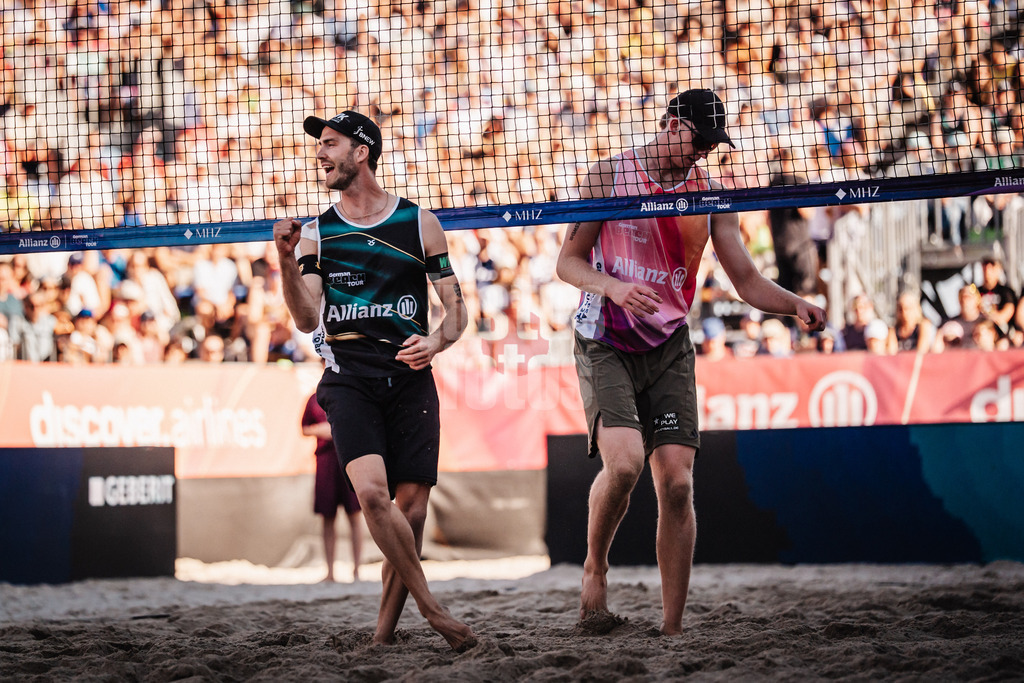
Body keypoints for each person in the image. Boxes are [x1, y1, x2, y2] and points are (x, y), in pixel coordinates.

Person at [556, 89, 826, 636]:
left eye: (711, 144)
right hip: (605, 337)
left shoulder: (709, 195)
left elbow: (746, 280)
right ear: (673, 126)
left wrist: (793, 303)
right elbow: (567, 262)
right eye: (700, 140)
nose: (704, 152)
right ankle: (595, 566)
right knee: (626, 464)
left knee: (677, 484)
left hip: (669, 344)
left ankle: (672, 631)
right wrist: (613, 287)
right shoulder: (611, 175)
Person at [273, 110, 477, 651]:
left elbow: (457, 312)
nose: (320, 153)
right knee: (371, 493)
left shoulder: (417, 223)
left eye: (330, 143)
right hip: (349, 376)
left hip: (410, 374)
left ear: (361, 152)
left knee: (408, 514)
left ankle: (383, 636)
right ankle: (433, 610)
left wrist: (436, 341)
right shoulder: (317, 232)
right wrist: (285, 260)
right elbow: (303, 317)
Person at [301, 391, 363, 583]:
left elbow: (361, 424)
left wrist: (336, 429)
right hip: (326, 461)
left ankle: (356, 570)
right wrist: (322, 429)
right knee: (328, 516)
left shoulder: (352, 394)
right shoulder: (314, 398)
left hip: (349, 458)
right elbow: (304, 428)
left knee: (355, 515)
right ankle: (330, 571)